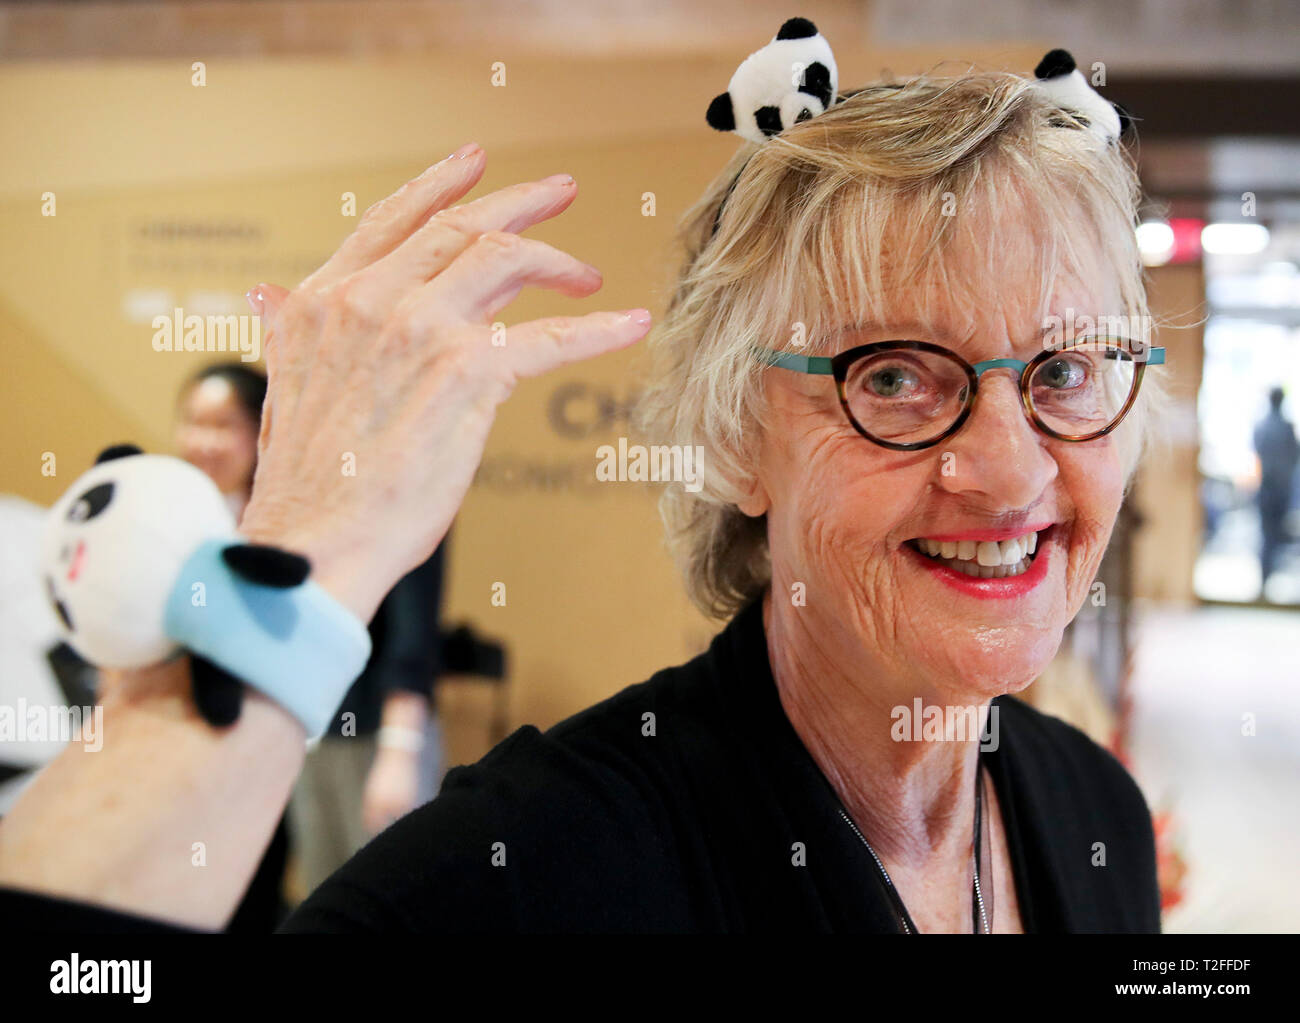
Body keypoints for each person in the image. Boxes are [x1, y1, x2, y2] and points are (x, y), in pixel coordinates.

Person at [0, 47, 1168, 933]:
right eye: (896, 377)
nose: (1011, 469)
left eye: (1065, 370)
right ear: (734, 438)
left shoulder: (1091, 812)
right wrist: (302, 552)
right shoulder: (536, 867)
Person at [175, 363, 449, 898]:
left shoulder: (402, 475)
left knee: (394, 894)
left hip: (373, 730)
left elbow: (414, 633)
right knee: (327, 896)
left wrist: (399, 751)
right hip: (304, 731)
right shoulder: (282, 499)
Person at [1252, 386, 1298, 594]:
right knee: (1273, 535)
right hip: (1279, 489)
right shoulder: (1286, 428)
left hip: (1268, 490)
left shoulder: (1262, 426)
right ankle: (1266, 577)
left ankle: (1265, 578)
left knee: (1268, 534)